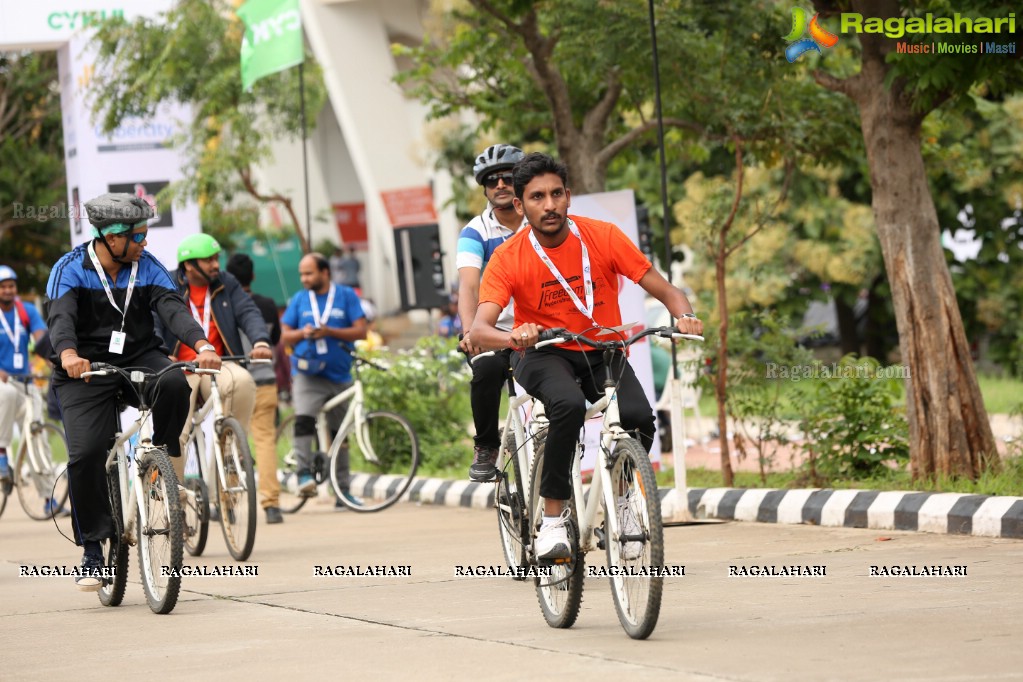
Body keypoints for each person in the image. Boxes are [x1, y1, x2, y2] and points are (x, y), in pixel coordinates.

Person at [469, 153, 703, 561]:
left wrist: (683, 315)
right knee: (567, 405)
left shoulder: (603, 236)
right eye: (538, 197)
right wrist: (514, 336)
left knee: (638, 417)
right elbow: (479, 329)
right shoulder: (508, 257)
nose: (550, 205)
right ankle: (555, 520)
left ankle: (624, 498)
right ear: (521, 206)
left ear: (569, 197)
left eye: (557, 194)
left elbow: (665, 289)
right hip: (542, 353)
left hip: (601, 349)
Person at [46, 193, 221, 591]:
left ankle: (161, 461)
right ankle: (92, 548)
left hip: (139, 356)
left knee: (176, 381)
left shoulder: (147, 266)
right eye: (139, 236)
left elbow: (174, 309)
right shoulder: (69, 269)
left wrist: (203, 345)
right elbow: (61, 320)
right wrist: (70, 354)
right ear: (111, 237)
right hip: (84, 370)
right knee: (88, 452)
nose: (145, 243)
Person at [155, 234, 272, 513]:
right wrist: (161, 352)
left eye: (216, 258)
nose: (215, 264)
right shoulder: (166, 283)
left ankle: (232, 454)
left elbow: (248, 312)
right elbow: (152, 321)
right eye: (208, 259)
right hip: (178, 369)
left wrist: (260, 341)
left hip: (217, 364)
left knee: (242, 380)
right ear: (189, 266)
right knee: (176, 433)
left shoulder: (226, 283)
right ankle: (177, 502)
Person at [456, 143, 525, 482]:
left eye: (508, 177)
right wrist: (471, 332)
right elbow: (468, 286)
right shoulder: (475, 233)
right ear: (484, 188)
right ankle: (486, 445)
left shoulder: (541, 222)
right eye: (492, 180)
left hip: (539, 328)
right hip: (493, 329)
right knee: (485, 369)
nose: (500, 184)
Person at [280, 253, 366, 504]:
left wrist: (330, 331)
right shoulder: (299, 299)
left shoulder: (346, 296)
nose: (304, 279)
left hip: (339, 375)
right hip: (308, 374)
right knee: (304, 420)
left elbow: (361, 331)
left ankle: (343, 491)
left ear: (325, 272)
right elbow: (285, 336)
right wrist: (302, 333)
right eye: (302, 274)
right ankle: (304, 475)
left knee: (340, 432)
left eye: (309, 273)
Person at [225, 252, 284, 524]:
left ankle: (228, 503)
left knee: (229, 441)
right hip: (266, 381)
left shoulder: (224, 305)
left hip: (234, 382)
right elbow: (274, 339)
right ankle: (272, 505)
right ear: (254, 276)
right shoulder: (269, 305)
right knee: (265, 441)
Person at [0, 265, 47, 499]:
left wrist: (53, 361)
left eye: (11, 286)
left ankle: (49, 497)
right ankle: (1, 455)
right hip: (2, 381)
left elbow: (41, 339)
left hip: (25, 380)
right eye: (3, 287)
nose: (8, 290)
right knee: (6, 394)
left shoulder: (26, 311)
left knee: (38, 433)